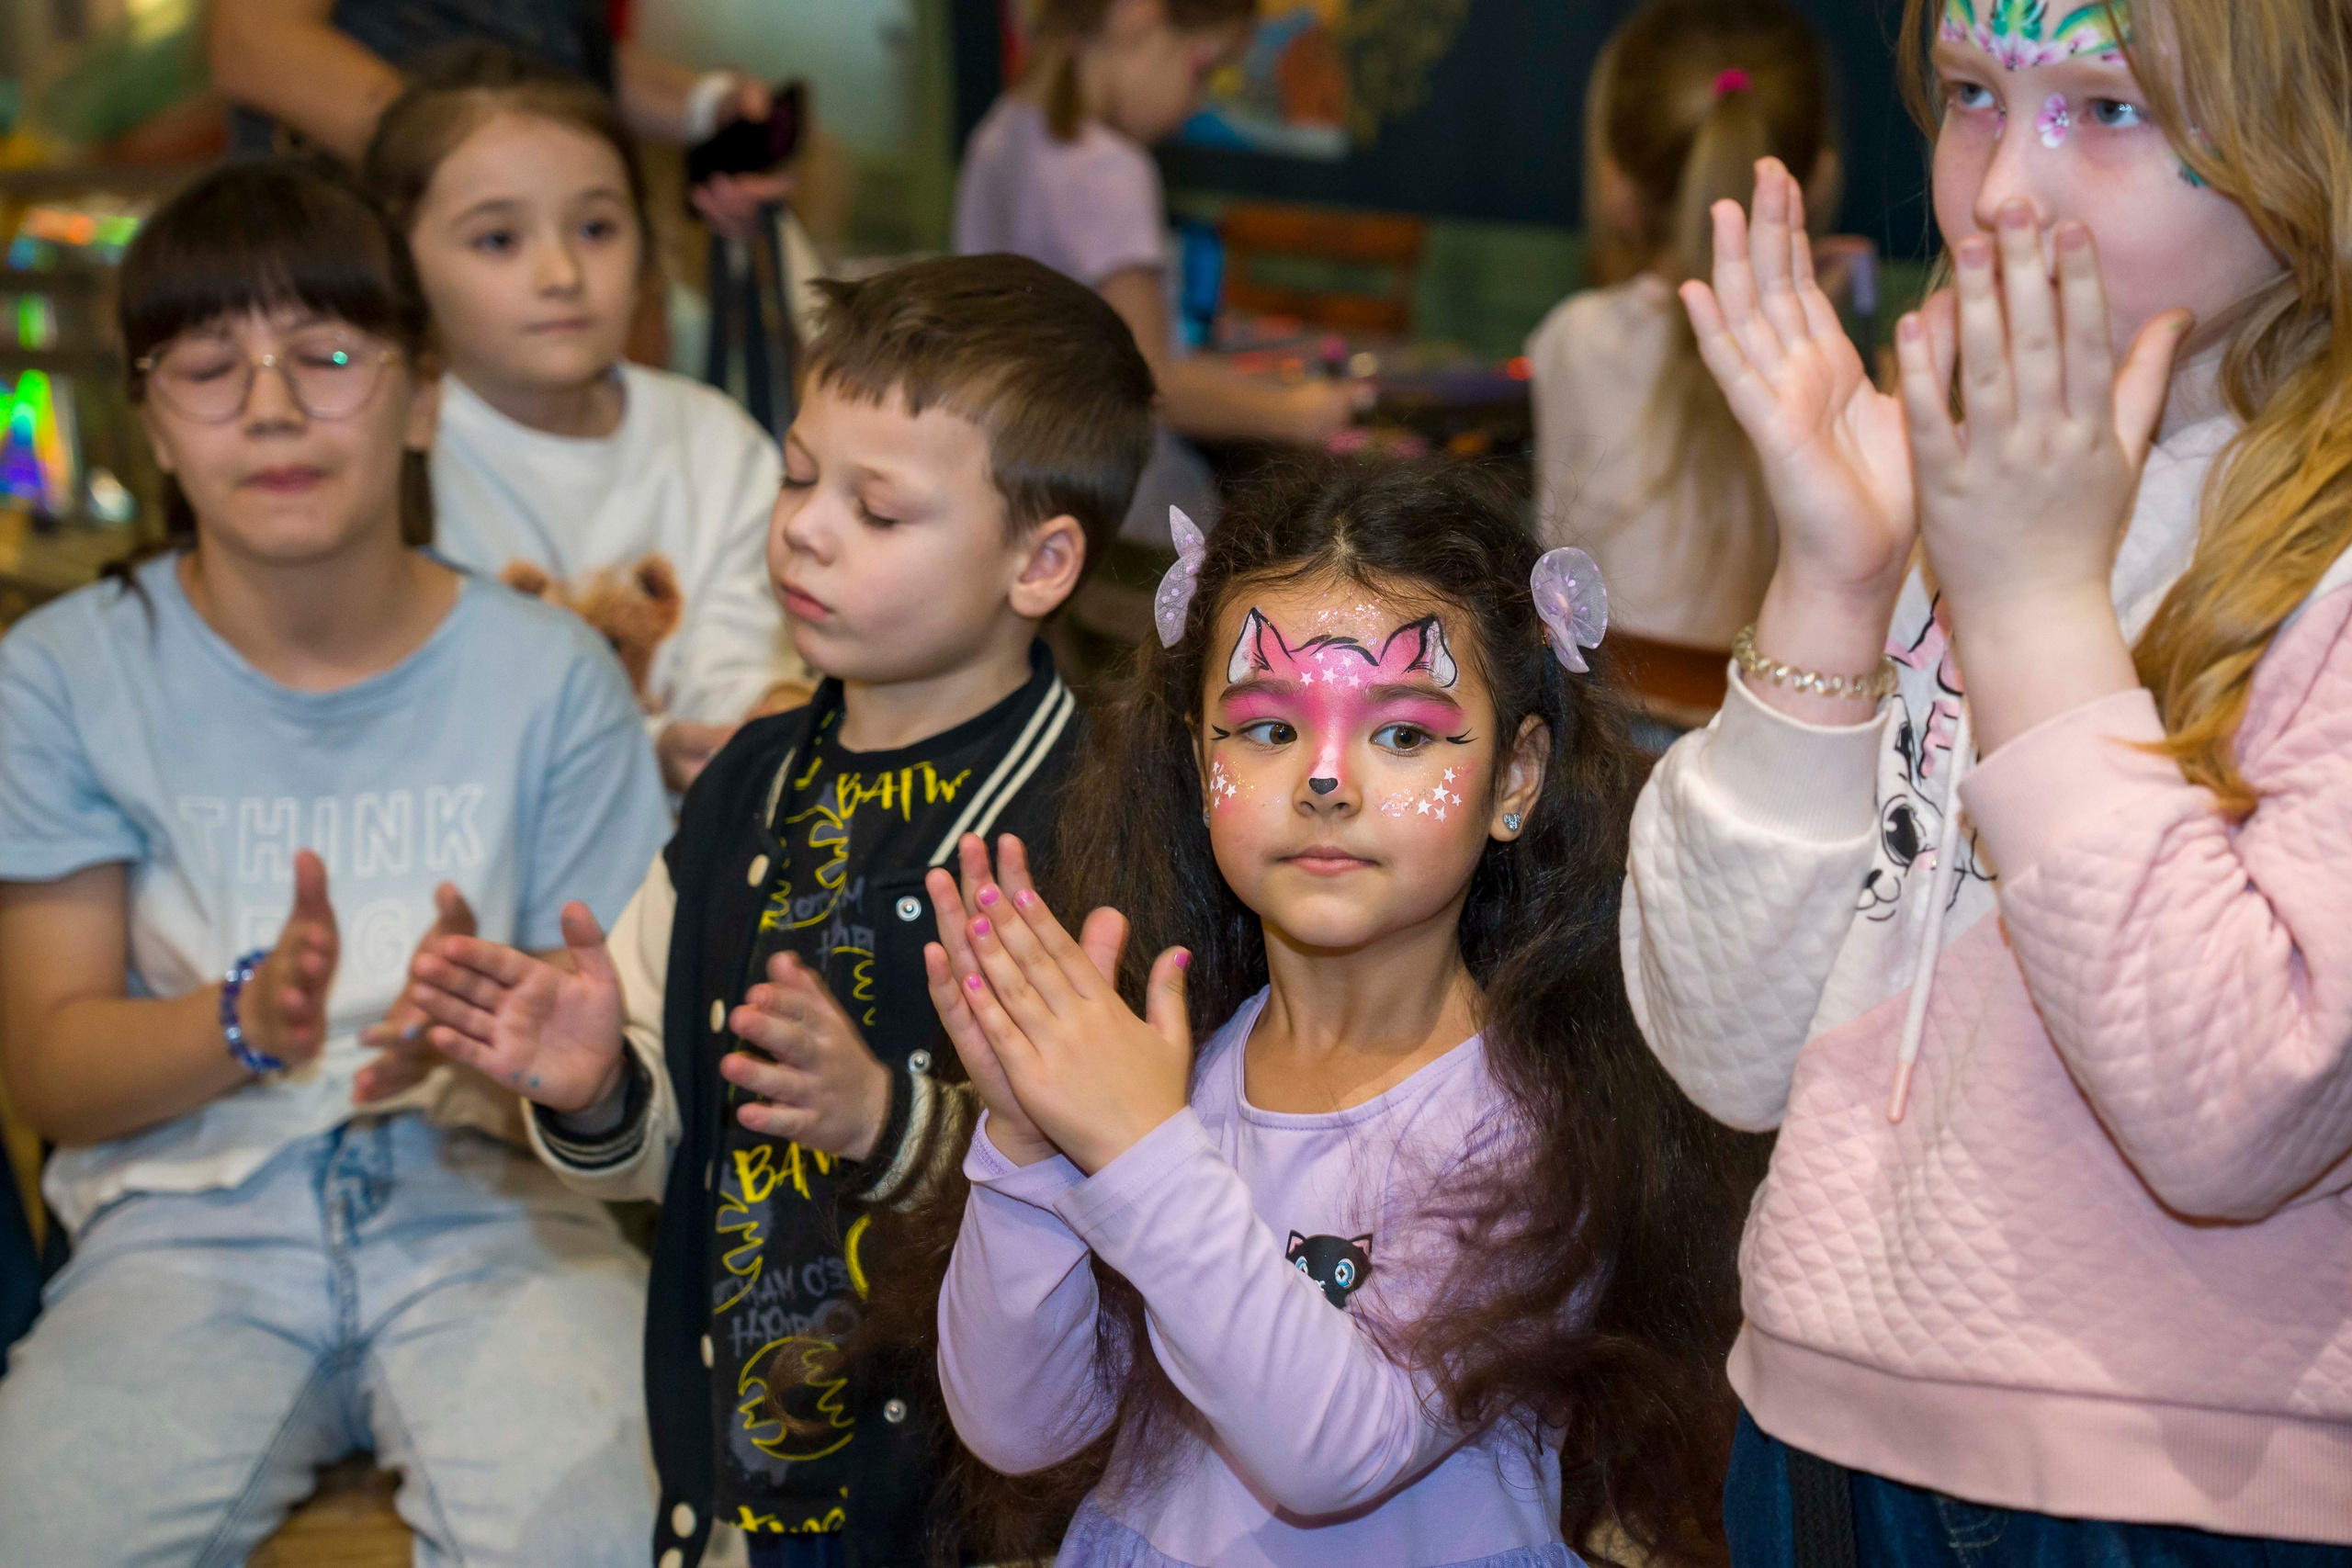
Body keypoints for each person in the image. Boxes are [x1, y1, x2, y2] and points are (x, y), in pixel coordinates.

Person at [1627, 0, 2352, 1555]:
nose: (2001, 195)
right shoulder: (1965, 468)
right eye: (1970, 93)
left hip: (2177, 1494)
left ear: (2312, 128)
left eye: (2106, 106)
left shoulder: (2325, 566)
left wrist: (2030, 608)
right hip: (1817, 1429)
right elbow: (1721, 1050)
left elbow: (2238, 1112)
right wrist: (1836, 576)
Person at [394, 254, 1158, 1568]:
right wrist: (592, 1086)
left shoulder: (1084, 826)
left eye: (877, 508)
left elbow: (1140, 1196)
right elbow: (666, 1149)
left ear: (1039, 561)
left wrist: (886, 1117)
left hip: (959, 1522)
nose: (804, 527)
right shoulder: (749, 783)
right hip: (728, 1496)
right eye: (800, 476)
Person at [0, 161, 670, 1564]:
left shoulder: (551, 674)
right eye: (206, 366)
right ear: (154, 425)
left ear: (423, 397)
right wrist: (245, 1019)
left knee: (607, 1532)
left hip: (502, 1207)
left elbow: (634, 1066)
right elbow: (52, 1069)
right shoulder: (61, 676)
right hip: (178, 1225)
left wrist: (510, 1041)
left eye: (328, 353)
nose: (271, 405)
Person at [922, 457, 1764, 1566]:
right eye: (1267, 731)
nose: (1326, 779)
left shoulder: (1528, 1121)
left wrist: (1135, 1148)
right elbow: (1021, 1427)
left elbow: (1333, 1454)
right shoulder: (1173, 1072)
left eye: (1403, 734)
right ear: (1195, 753)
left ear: (1514, 779)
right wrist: (1026, 1152)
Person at [366, 48, 811, 795]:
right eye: (498, 240)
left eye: (597, 229)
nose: (562, 275)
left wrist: (765, 711)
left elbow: (738, 661)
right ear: (398, 265)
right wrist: (647, 749)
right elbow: (443, 716)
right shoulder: (392, 461)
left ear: (645, 247)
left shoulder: (713, 442)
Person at [956, 0, 1369, 547]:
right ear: (1136, 15)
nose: (1196, 103)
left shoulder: (999, 134)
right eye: (1202, 70)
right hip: (1127, 517)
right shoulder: (1110, 167)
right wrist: (1302, 411)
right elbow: (1152, 380)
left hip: (1023, 493)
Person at [1526, 0, 1838, 658]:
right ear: (1818, 180)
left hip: (1609, 734)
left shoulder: (1572, 340)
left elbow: (1560, 591)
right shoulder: (1826, 361)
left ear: (1617, 187)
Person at [207, 0, 789, 236]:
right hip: (362, 263)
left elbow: (558, 52)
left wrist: (701, 107)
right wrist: (480, 157)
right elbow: (256, 42)